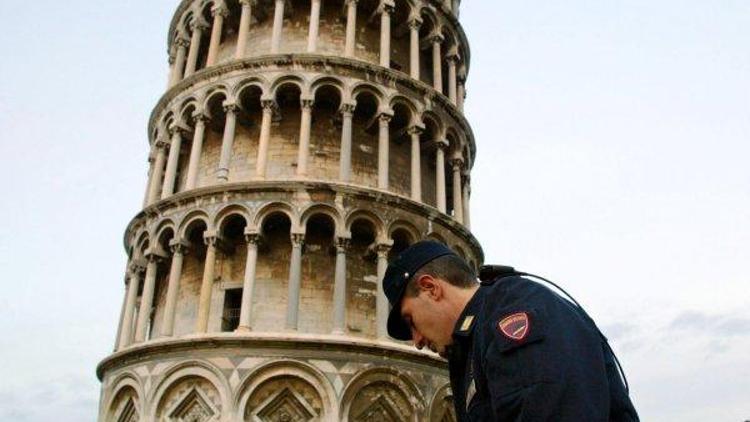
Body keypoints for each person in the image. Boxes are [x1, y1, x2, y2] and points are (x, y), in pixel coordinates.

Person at [382, 240, 639, 421]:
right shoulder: (477, 339)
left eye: (410, 321)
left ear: (431, 288)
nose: (415, 341)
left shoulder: (512, 313)